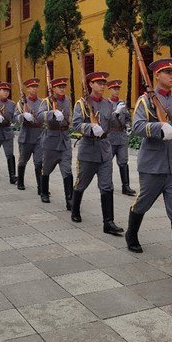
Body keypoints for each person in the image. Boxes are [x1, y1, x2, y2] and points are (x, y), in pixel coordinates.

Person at [126, 57, 172, 276]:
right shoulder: (145, 101)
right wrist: (159, 127)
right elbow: (138, 127)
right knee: (142, 204)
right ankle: (131, 233)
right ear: (156, 76)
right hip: (152, 165)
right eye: (167, 72)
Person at [71, 71, 124, 235]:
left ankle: (108, 222)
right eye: (98, 83)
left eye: (104, 83)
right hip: (88, 150)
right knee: (82, 183)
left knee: (107, 186)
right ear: (91, 85)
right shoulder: (81, 104)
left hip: (105, 150)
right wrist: (91, 128)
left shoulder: (108, 104)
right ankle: (75, 210)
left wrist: (117, 114)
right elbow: (76, 125)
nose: (102, 86)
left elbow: (113, 123)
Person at [37, 77, 74, 209]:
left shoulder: (68, 99)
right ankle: (44, 192)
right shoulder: (47, 101)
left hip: (64, 139)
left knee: (67, 169)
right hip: (51, 140)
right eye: (59, 87)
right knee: (46, 167)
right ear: (53, 88)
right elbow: (40, 115)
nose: (62, 89)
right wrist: (52, 113)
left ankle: (70, 199)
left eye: (64, 86)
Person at [107, 79, 136, 196]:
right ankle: (107, 184)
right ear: (109, 90)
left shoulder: (122, 103)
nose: (117, 91)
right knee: (107, 162)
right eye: (114, 89)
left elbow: (127, 117)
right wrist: (115, 113)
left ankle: (126, 186)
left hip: (122, 136)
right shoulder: (106, 104)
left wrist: (128, 127)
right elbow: (106, 120)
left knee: (123, 161)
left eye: (118, 89)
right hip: (111, 136)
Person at [15, 77, 44, 194]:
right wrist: (23, 116)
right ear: (27, 89)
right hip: (26, 136)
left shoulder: (42, 102)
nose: (34, 89)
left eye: (36, 86)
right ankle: (20, 181)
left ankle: (40, 187)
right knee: (23, 160)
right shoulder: (21, 103)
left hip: (39, 136)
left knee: (39, 162)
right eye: (32, 87)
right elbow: (15, 118)